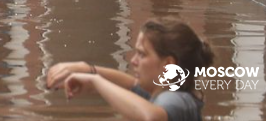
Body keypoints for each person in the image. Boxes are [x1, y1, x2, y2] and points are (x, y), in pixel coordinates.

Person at [46, 17, 214, 121]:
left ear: (168, 65)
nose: (133, 61)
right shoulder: (163, 93)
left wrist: (95, 81)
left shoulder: (176, 100)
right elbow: (132, 85)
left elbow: (152, 117)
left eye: (142, 54)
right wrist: (87, 70)